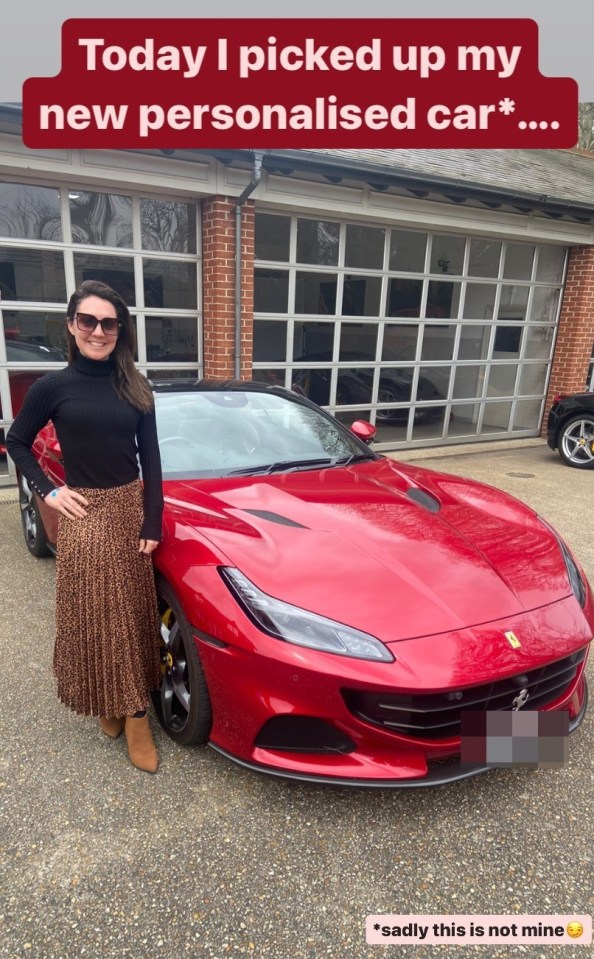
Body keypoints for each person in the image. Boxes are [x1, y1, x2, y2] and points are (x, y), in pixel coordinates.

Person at [6, 279, 164, 774]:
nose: (98, 331)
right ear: (72, 327)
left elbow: (152, 461)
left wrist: (153, 517)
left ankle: (123, 707)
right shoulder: (52, 388)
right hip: (84, 515)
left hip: (127, 511)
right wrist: (48, 490)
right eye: (88, 321)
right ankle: (129, 711)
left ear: (121, 329)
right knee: (102, 616)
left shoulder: (136, 386)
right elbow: (16, 441)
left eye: (108, 323)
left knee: (132, 614)